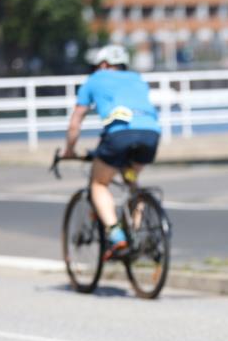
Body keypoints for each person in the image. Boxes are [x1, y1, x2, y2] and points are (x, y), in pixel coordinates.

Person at [64, 44, 161, 259]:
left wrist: (69, 150)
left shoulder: (94, 79)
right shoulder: (137, 79)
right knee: (131, 178)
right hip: (150, 134)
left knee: (99, 183)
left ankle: (117, 236)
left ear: (104, 64)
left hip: (119, 135)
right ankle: (137, 232)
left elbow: (75, 122)